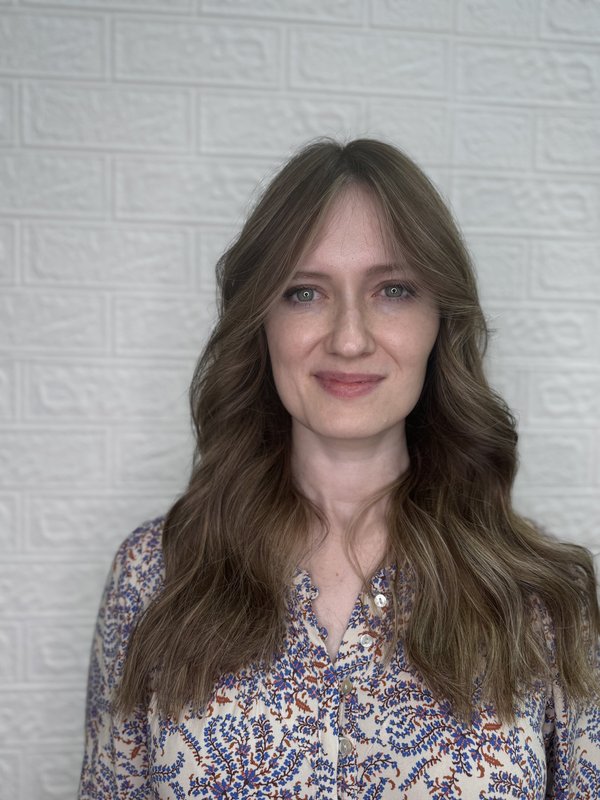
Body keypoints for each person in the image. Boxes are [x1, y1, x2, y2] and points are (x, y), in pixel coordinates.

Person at [78, 138, 600, 799]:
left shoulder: (544, 599)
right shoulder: (154, 577)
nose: (349, 338)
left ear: (440, 320)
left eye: (393, 290)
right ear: (260, 321)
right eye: (304, 293)